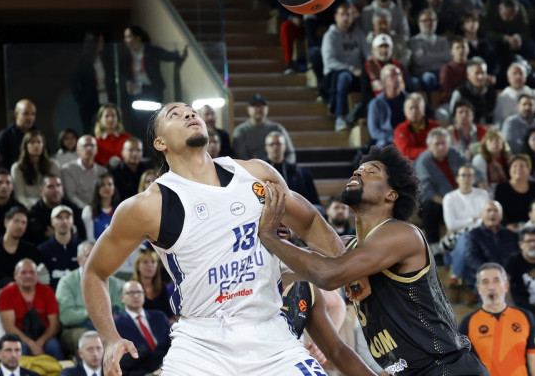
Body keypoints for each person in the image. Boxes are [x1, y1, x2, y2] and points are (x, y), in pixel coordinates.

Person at [82, 102, 349, 375]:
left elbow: (311, 222)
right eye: (174, 114)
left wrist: (351, 274)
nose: (189, 114)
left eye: (191, 110)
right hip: (201, 343)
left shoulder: (256, 174)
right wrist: (110, 338)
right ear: (160, 143)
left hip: (271, 335)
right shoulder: (149, 206)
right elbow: (94, 273)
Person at [256, 145, 489, 374]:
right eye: (358, 169)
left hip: (449, 368)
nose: (359, 172)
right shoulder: (347, 248)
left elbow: (327, 275)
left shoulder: (402, 234)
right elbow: (336, 351)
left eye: (371, 171)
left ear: (391, 194)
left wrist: (270, 237)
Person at [459, 263, 535, 376]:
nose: (491, 287)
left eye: (496, 280)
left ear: (506, 286)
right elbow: (462, 366)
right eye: (485, 282)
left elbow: (534, 359)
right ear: (479, 289)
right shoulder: (468, 323)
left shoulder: (524, 316)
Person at [57, 241, 123, 357]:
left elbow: (119, 310)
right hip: (76, 329)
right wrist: (97, 312)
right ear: (79, 260)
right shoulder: (66, 282)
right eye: (89, 255)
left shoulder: (112, 282)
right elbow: (66, 317)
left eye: (96, 254)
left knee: (127, 332)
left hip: (107, 327)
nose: (94, 258)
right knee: (92, 339)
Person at [0, 259, 62, 359]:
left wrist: (39, 343)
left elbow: (54, 325)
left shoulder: (47, 291)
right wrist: (31, 344)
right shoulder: (6, 293)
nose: (28, 276)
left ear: (37, 274)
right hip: (19, 337)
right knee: (21, 348)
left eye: (32, 272)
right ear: (15, 275)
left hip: (44, 336)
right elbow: (9, 327)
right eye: (23, 272)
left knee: (54, 346)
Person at [321, 3, 370, 131]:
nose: (345, 18)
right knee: (344, 77)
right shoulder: (330, 35)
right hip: (335, 75)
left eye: (348, 14)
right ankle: (340, 117)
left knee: (370, 76)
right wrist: (351, 69)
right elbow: (329, 61)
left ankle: (366, 114)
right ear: (336, 17)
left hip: (358, 74)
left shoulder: (359, 33)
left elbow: (368, 54)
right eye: (342, 14)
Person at [414, 128, 466, 243]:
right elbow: (426, 191)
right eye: (437, 144)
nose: (441, 147)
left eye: (443, 143)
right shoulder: (424, 161)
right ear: (429, 146)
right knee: (428, 208)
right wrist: (449, 203)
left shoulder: (454, 153)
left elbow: (468, 168)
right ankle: (434, 248)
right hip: (438, 202)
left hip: (460, 197)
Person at [113, 281, 171, 376]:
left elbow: (171, 344)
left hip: (167, 367)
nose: (136, 296)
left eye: (139, 292)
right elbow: (122, 361)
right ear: (122, 298)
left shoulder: (159, 317)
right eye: (131, 293)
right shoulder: (116, 324)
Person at [463, 201, 521, 289]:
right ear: (482, 215)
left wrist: (508, 273)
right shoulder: (473, 235)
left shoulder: (511, 235)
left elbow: (517, 255)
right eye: (489, 210)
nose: (492, 213)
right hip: (485, 277)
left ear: (501, 216)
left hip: (510, 277)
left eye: (496, 210)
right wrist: (493, 273)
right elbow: (472, 259)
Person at [0, 206, 41, 289]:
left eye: (24, 223)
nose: (20, 226)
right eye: (16, 221)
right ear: (6, 222)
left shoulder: (30, 250)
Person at [264, 131, 321, 212]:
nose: (275, 147)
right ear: (266, 147)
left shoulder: (300, 173)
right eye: (272, 144)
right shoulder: (259, 170)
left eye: (278, 144)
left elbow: (315, 203)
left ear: (285, 146)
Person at [232, 94, 296, 162]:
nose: (259, 109)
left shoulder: (277, 128)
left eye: (262, 106)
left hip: (276, 169)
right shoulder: (241, 131)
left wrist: (286, 168)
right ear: (248, 109)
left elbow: (290, 153)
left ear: (267, 108)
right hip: (251, 170)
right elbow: (240, 157)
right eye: (255, 106)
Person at [27, 175, 84, 245]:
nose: (56, 190)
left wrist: (57, 232)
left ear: (63, 189)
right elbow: (35, 238)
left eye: (58, 185)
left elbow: (81, 234)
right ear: (41, 191)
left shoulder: (72, 208)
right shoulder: (35, 212)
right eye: (50, 186)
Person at [10, 131, 61, 209]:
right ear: (26, 146)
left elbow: (58, 190)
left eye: (39, 142)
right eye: (32, 142)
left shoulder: (53, 165)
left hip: (50, 204)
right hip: (28, 206)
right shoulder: (17, 168)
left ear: (43, 145)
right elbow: (19, 195)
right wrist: (30, 206)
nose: (36, 145)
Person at [494, 155, 535, 228]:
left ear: (528, 169)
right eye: (515, 166)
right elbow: (499, 211)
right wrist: (507, 225)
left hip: (534, 227)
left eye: (522, 166)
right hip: (508, 228)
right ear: (509, 170)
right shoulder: (501, 188)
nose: (518, 169)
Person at [37, 205, 79, 290]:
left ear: (72, 221)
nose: (64, 221)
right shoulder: (42, 250)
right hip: (52, 298)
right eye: (59, 217)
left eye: (67, 217)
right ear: (52, 222)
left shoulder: (83, 248)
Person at [61, 135, 107, 211]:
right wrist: (87, 209)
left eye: (92, 145)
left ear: (96, 150)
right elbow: (71, 195)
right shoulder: (67, 169)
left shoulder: (103, 171)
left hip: (99, 209)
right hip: (77, 210)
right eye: (85, 145)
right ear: (77, 150)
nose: (89, 149)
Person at [407, 9, 449, 93]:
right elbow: (419, 60)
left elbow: (449, 57)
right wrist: (440, 56)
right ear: (419, 23)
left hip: (442, 72)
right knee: (429, 78)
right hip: (423, 73)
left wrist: (427, 55)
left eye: (432, 20)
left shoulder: (443, 40)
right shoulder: (414, 41)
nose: (429, 23)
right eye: (425, 20)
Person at [366, 64, 407, 147]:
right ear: (384, 81)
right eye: (392, 76)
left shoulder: (410, 99)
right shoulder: (376, 103)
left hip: (408, 138)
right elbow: (374, 132)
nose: (397, 78)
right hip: (387, 140)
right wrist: (393, 138)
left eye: (398, 74)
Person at [449, 57, 496, 126]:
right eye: (477, 73)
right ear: (468, 75)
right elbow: (453, 118)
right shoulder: (460, 93)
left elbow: (496, 116)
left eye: (483, 73)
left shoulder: (491, 92)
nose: (480, 77)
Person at [130, 248, 173, 320]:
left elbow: (168, 316)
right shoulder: (131, 288)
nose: (150, 265)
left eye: (153, 262)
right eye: (145, 262)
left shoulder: (162, 288)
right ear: (138, 266)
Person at [0, 100, 37, 168]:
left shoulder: (39, 135)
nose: (30, 117)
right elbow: (0, 164)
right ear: (16, 114)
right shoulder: (5, 136)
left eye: (33, 114)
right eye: (26, 113)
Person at [81, 174, 120, 242]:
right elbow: (90, 238)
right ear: (97, 188)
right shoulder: (89, 210)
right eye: (102, 185)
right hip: (95, 249)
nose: (107, 187)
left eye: (110, 184)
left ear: (114, 188)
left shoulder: (120, 210)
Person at [93, 103, 131, 167]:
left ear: (118, 118)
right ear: (100, 119)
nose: (110, 119)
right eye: (106, 116)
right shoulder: (95, 142)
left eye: (113, 115)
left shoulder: (127, 139)